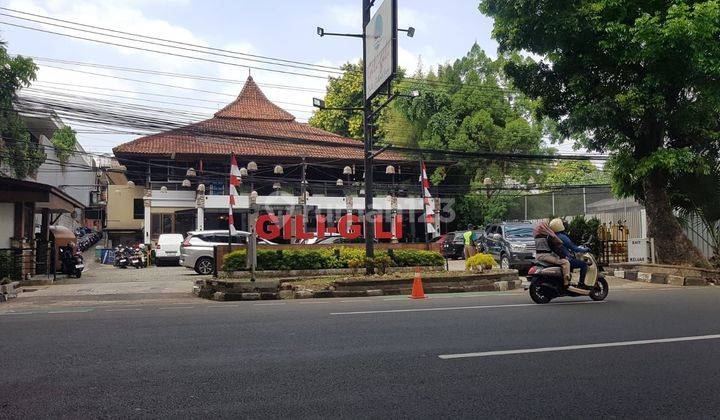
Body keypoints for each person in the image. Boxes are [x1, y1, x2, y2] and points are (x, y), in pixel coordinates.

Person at [549, 218, 591, 290]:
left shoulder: (552, 236)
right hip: (565, 259)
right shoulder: (562, 236)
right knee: (583, 265)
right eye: (563, 224)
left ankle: (568, 281)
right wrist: (585, 250)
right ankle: (581, 284)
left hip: (558, 257)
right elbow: (573, 248)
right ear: (559, 226)